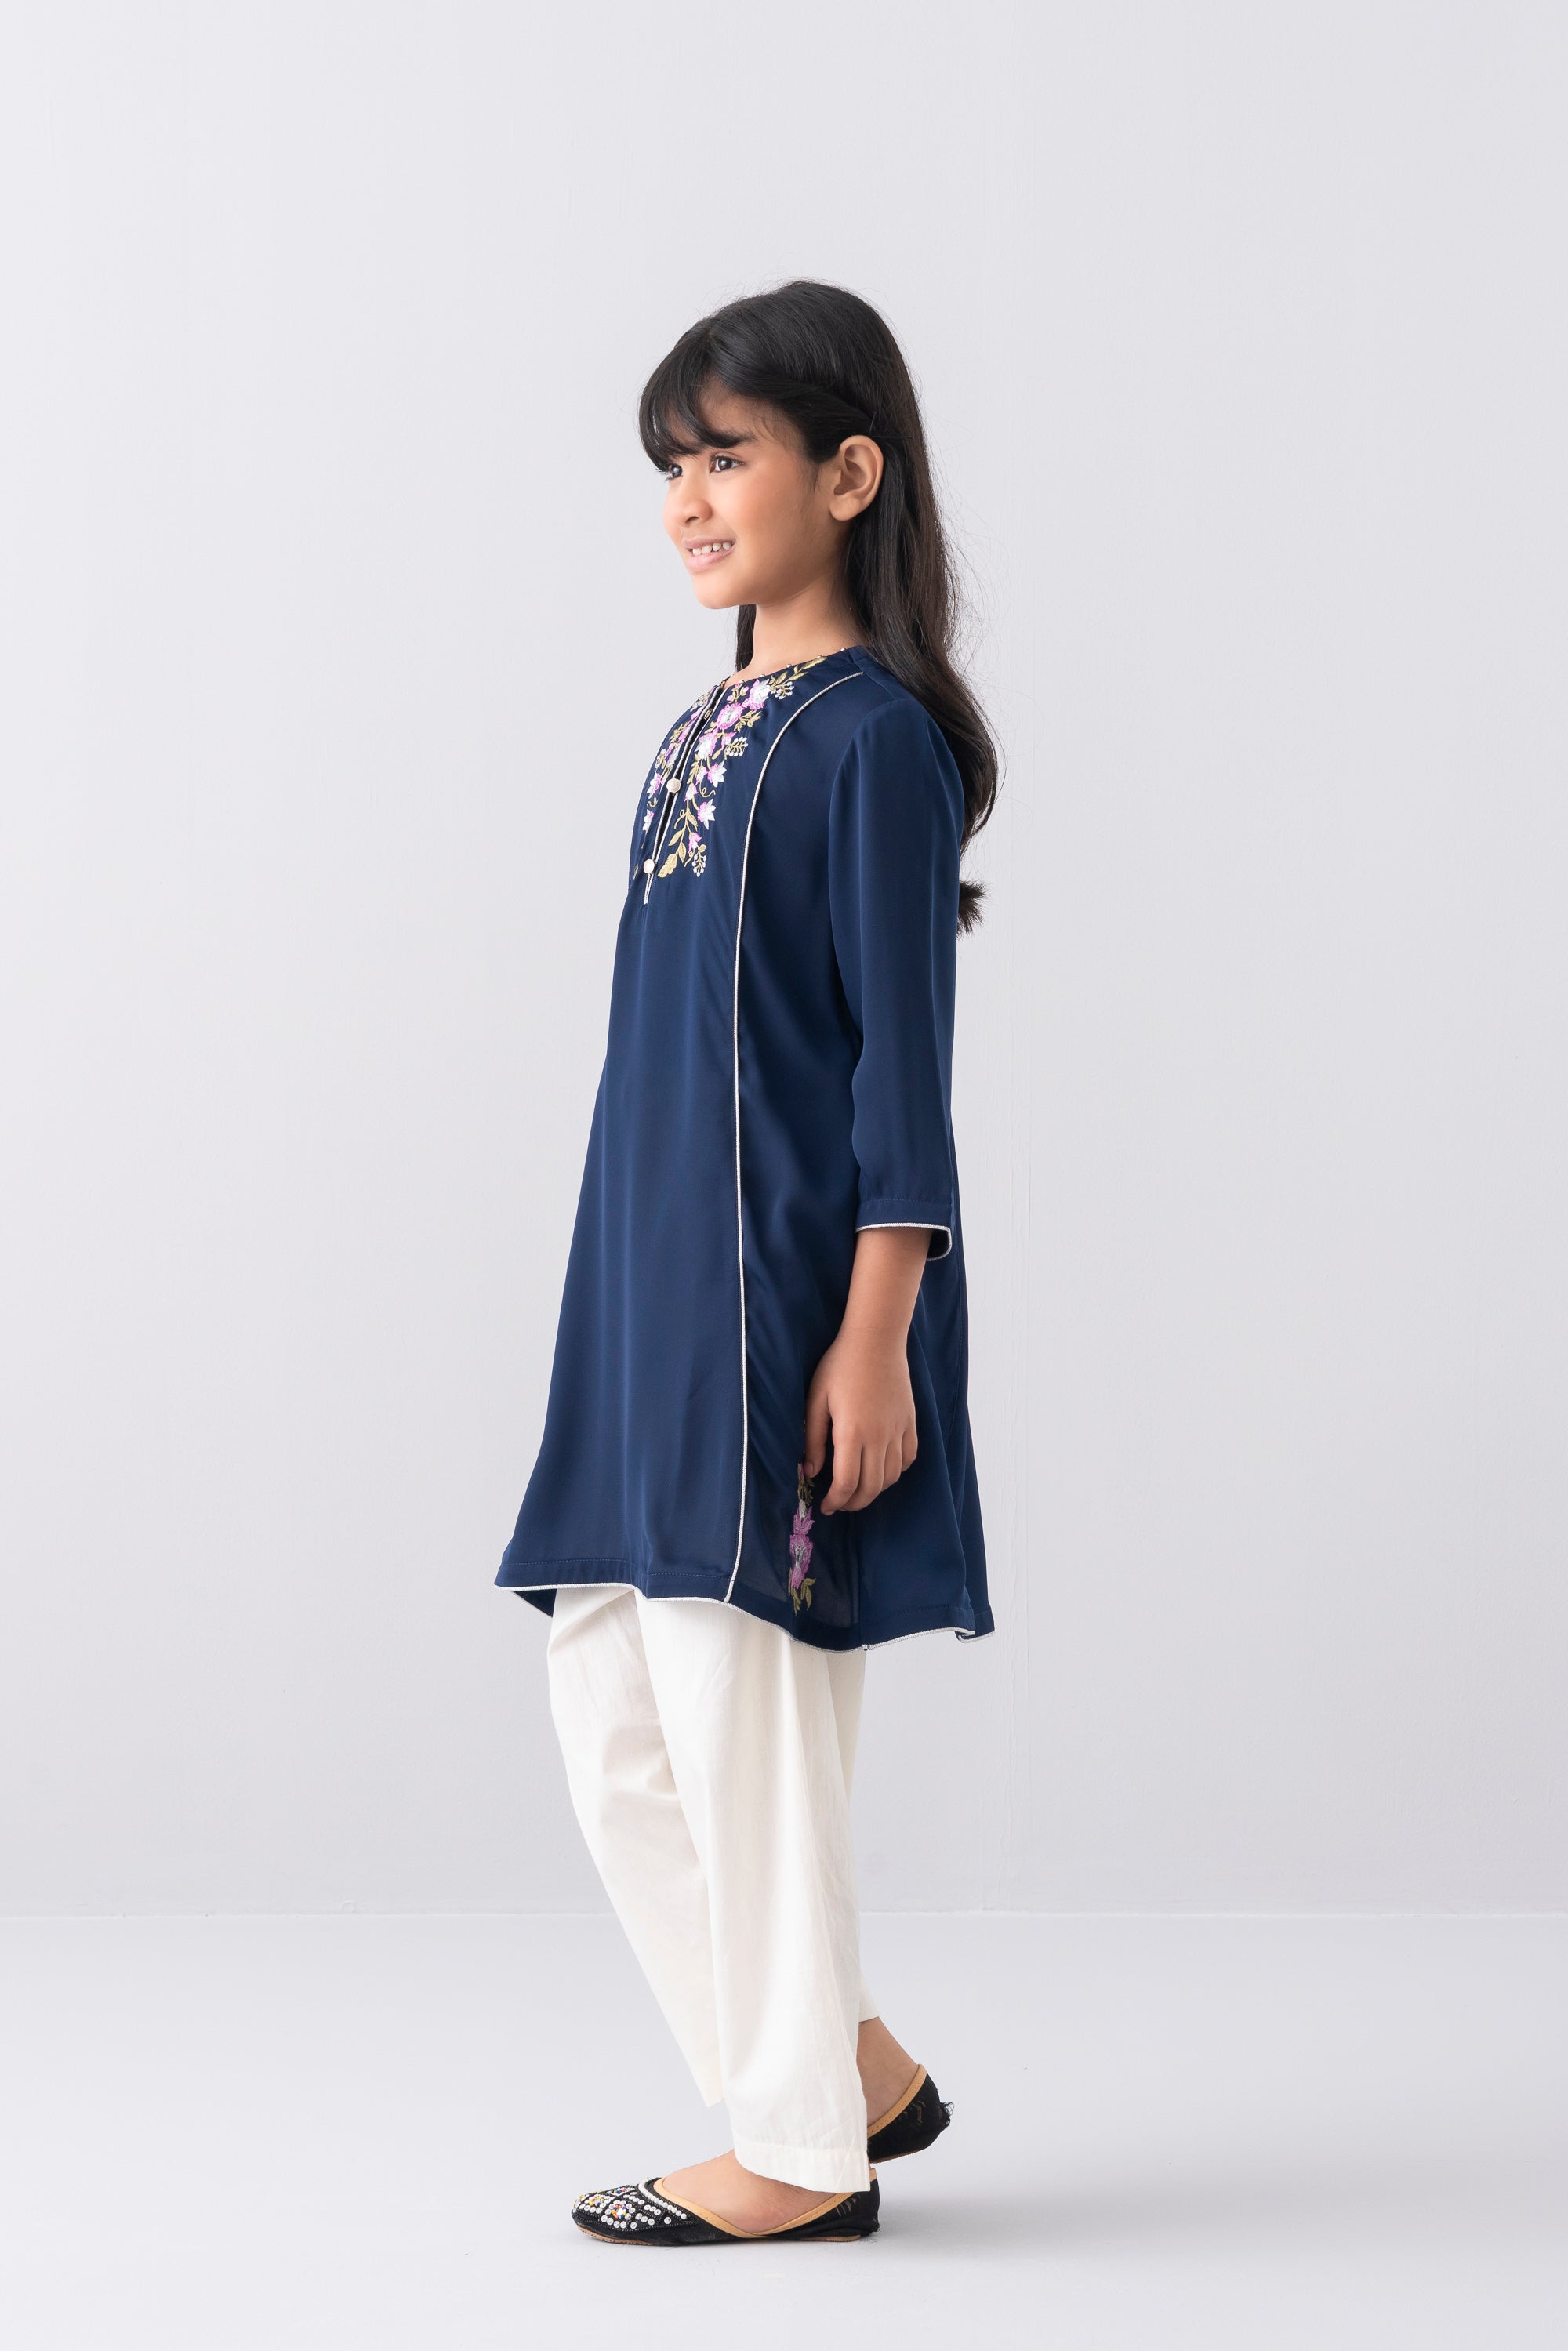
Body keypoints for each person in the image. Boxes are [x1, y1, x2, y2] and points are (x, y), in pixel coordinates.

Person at [496, 280, 999, 2248]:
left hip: (785, 1301)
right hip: (648, 1294)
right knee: (612, 1700)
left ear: (847, 475)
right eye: (673, 467)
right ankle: (835, 2070)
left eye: (726, 457)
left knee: (739, 1716)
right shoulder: (704, 728)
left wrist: (874, 1339)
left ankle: (795, 2155)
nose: (687, 502)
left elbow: (902, 1071)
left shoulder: (876, 744)